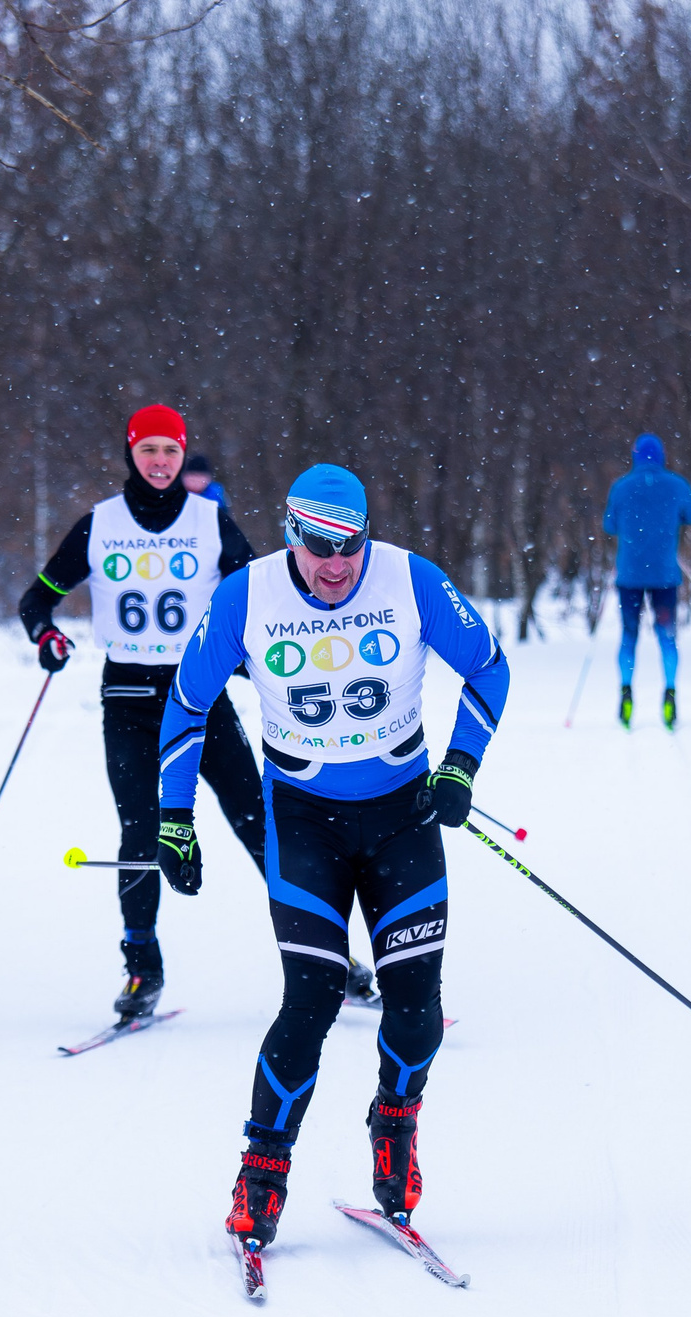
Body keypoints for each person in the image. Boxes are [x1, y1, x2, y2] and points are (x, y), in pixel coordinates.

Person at [154, 464, 510, 1251]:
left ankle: (395, 1119)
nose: (336, 562)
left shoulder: (410, 579)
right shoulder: (247, 595)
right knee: (310, 1000)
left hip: (401, 815)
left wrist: (460, 765)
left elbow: (489, 664)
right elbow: (187, 699)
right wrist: (174, 817)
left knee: (416, 1008)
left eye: (350, 544)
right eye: (318, 544)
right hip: (305, 820)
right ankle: (263, 1170)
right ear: (290, 533)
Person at [17, 404, 266, 1021]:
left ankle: (328, 955)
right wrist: (47, 637)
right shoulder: (98, 525)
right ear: (132, 453)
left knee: (257, 821)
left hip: (199, 695)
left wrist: (248, 653)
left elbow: (264, 597)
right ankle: (141, 970)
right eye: (149, 450)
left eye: (171, 452)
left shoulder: (212, 522)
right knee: (141, 831)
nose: (160, 462)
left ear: (185, 457)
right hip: (127, 699)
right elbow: (36, 600)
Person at [601, 433, 691, 729]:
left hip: (630, 574)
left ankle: (626, 690)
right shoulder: (676, 484)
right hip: (664, 575)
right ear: (661, 456)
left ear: (635, 456)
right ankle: (670, 691)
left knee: (629, 636)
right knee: (666, 636)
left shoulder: (621, 487)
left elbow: (609, 524)